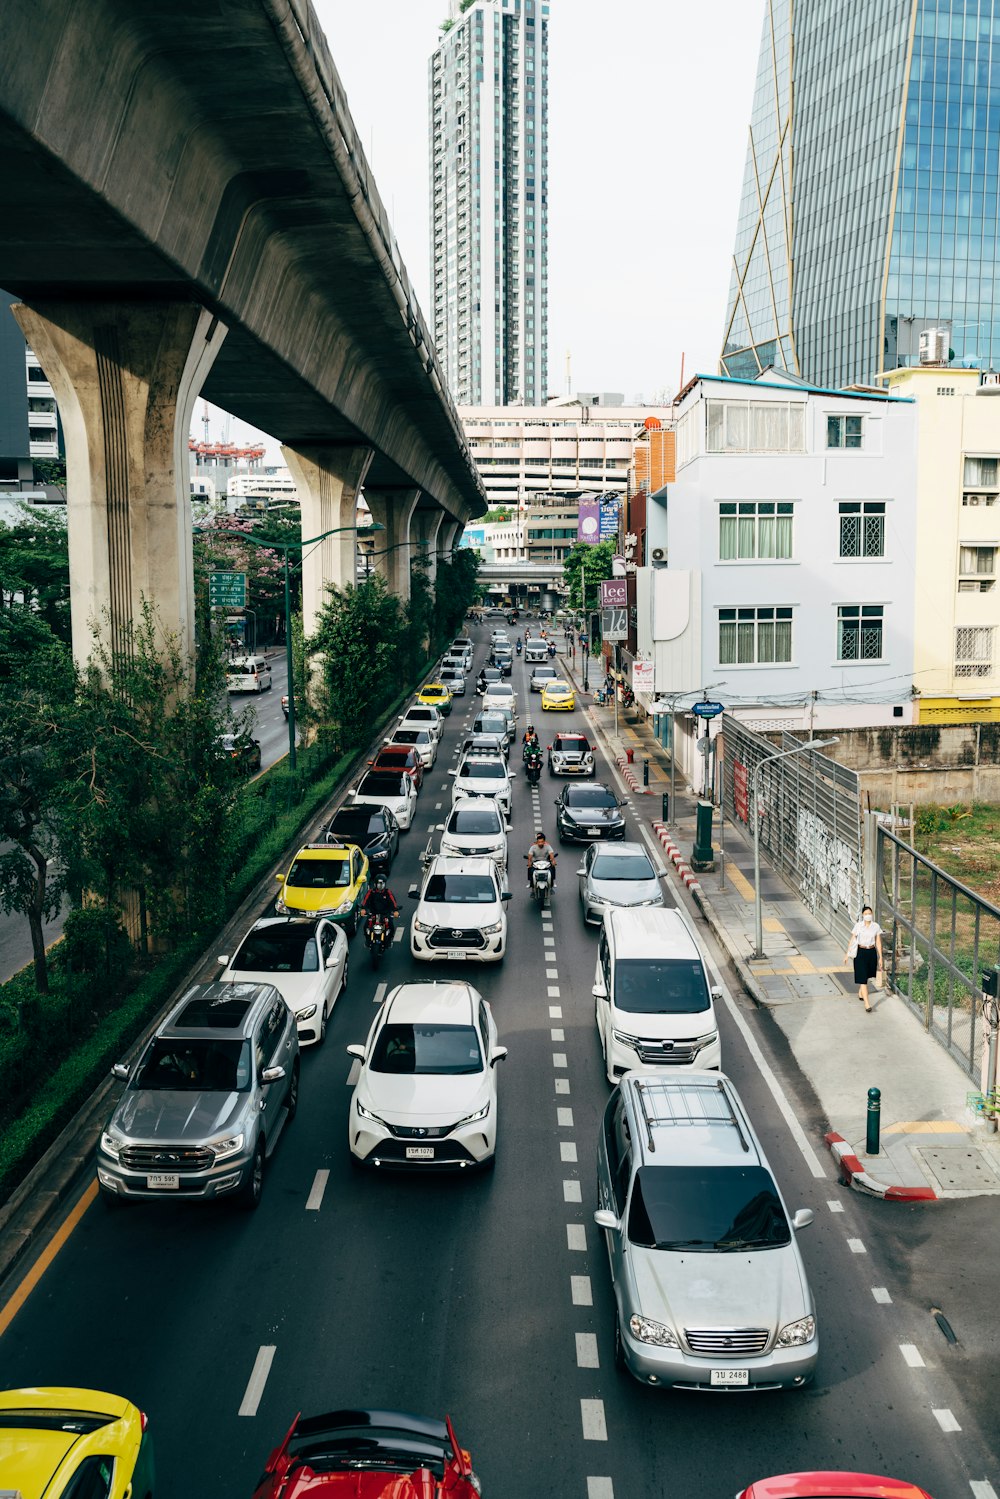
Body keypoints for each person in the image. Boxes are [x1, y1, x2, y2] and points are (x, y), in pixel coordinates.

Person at [844, 904, 883, 1012]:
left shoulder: (876, 926)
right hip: (860, 952)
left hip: (871, 952)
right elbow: (852, 940)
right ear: (862, 915)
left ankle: (861, 992)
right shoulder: (858, 926)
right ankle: (867, 1004)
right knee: (863, 977)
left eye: (869, 914)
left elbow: (878, 942)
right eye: (866, 914)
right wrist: (847, 954)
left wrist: (880, 957)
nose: (868, 916)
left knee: (868, 975)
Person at [363, 874, 399, 940]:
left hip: (385, 914)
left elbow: (393, 902)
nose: (381, 886)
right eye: (379, 884)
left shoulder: (388, 892)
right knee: (365, 926)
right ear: (375, 884)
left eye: (382, 884)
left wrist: (395, 911)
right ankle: (368, 940)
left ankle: (389, 939)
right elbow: (365, 901)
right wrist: (363, 909)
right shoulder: (371, 892)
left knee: (391, 927)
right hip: (373, 913)